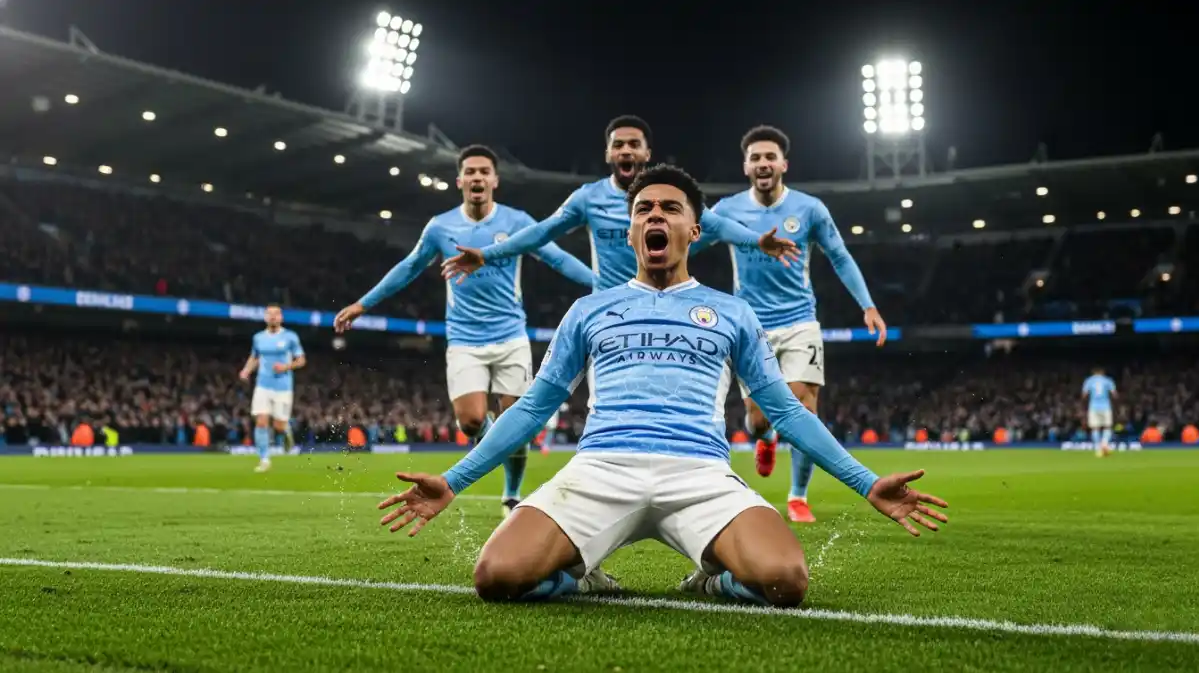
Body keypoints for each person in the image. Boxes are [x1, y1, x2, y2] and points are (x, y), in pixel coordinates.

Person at [378, 164, 948, 607]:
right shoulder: (588, 310)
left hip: (701, 475)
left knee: (786, 582)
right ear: (630, 231)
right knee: (496, 578)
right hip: (600, 468)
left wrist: (867, 482)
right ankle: (580, 578)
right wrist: (453, 481)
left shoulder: (732, 312)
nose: (656, 216)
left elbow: (789, 413)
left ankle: (712, 583)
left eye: (671, 208)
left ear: (694, 230)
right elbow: (532, 409)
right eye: (644, 209)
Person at [335, 145, 595, 515]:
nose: (477, 177)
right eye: (470, 171)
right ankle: (497, 446)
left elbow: (555, 257)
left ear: (495, 180)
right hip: (464, 339)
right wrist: (364, 303)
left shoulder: (517, 221)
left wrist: (599, 285)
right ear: (459, 181)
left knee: (516, 422)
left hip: (510, 337)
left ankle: (511, 492)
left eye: (483, 171)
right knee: (472, 421)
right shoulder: (441, 226)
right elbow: (409, 267)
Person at [695, 125, 887, 523]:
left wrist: (867, 305)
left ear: (784, 163)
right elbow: (691, 242)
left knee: (803, 409)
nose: (763, 163)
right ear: (746, 166)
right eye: (756, 158)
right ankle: (763, 439)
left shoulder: (810, 209)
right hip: (751, 326)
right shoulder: (728, 210)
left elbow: (839, 256)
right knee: (759, 419)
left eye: (770, 157)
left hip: (801, 320)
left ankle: (798, 496)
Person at [439, 115, 800, 293]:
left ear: (646, 153)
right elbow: (542, 232)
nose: (626, 150)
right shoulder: (588, 198)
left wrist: (757, 240)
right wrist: (487, 254)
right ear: (609, 153)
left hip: (666, 297)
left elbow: (718, 225)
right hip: (611, 307)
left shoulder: (671, 194)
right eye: (619, 145)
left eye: (633, 144)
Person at [239, 304, 305, 472]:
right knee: (261, 421)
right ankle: (264, 460)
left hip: (283, 387)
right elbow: (254, 357)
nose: (273, 317)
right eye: (270, 314)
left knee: (279, 426)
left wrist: (285, 367)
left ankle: (286, 431)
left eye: (276, 314)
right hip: (263, 385)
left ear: (281, 317)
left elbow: (301, 360)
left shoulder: (290, 337)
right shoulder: (258, 338)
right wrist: (246, 370)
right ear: (265, 317)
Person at [1082, 367, 1117, 456]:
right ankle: (1104, 444)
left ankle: (1098, 448)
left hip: (1093, 406)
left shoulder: (1089, 380)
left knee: (1095, 428)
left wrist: (1084, 406)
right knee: (1107, 427)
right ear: (1102, 372)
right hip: (1105, 406)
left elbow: (1084, 395)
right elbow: (1114, 394)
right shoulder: (1108, 380)